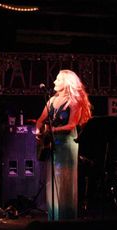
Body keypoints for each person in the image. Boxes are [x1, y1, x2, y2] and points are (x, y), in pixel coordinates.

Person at [35, 70, 92, 220]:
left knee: (65, 182)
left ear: (66, 83)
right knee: (53, 180)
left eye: (57, 79)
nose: (54, 82)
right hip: (53, 143)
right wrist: (37, 129)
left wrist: (52, 130)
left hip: (67, 144)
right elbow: (40, 119)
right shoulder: (52, 100)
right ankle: (53, 217)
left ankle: (66, 219)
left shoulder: (75, 101)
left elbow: (71, 125)